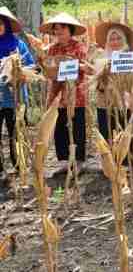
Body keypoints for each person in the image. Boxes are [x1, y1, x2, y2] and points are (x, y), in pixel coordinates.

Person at [40, 13, 90, 175]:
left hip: (76, 93)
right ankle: (64, 161)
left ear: (70, 30)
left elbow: (86, 67)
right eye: (56, 30)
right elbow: (48, 69)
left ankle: (79, 161)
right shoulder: (53, 49)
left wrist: (75, 65)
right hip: (58, 94)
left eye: (62, 29)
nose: (58, 32)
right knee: (60, 128)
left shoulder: (79, 47)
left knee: (76, 127)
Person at [93, 21, 133, 164]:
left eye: (118, 38)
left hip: (128, 103)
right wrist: (105, 73)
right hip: (107, 104)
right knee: (109, 134)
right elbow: (98, 86)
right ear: (108, 42)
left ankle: (131, 163)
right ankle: (112, 165)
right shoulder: (101, 61)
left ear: (124, 40)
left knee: (129, 134)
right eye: (112, 39)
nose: (115, 42)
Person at [0, 7, 35, 177]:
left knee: (16, 133)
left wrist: (18, 73)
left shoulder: (18, 45)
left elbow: (31, 66)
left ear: (6, 25)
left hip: (15, 98)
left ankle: (19, 165)